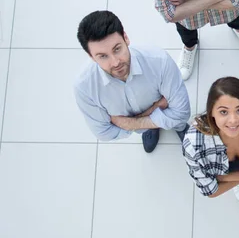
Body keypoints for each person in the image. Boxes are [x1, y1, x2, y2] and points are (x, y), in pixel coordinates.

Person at [74, 11, 191, 153]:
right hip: (162, 109)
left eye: (117, 49)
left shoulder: (158, 60)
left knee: (179, 122)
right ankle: (151, 129)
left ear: (126, 38)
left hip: (164, 114)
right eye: (103, 56)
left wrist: (130, 123)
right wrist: (152, 113)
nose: (116, 62)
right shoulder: (85, 88)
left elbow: (181, 112)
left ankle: (178, 128)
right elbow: (104, 133)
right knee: (166, 117)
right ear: (91, 57)